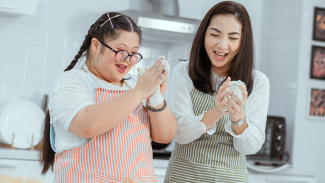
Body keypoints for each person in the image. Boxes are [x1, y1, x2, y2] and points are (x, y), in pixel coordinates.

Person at [39, 12, 177, 183]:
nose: (128, 60)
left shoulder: (134, 85)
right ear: (96, 46)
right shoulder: (72, 82)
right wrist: (140, 92)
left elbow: (165, 136)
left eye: (134, 53)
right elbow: (87, 125)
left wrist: (155, 98)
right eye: (121, 51)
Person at [164, 1, 270, 182]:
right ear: (203, 34)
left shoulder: (257, 81)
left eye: (233, 38)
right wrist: (217, 111)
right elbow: (179, 133)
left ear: (243, 41)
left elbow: (251, 147)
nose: (222, 45)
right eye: (215, 34)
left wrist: (238, 116)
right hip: (184, 176)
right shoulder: (183, 72)